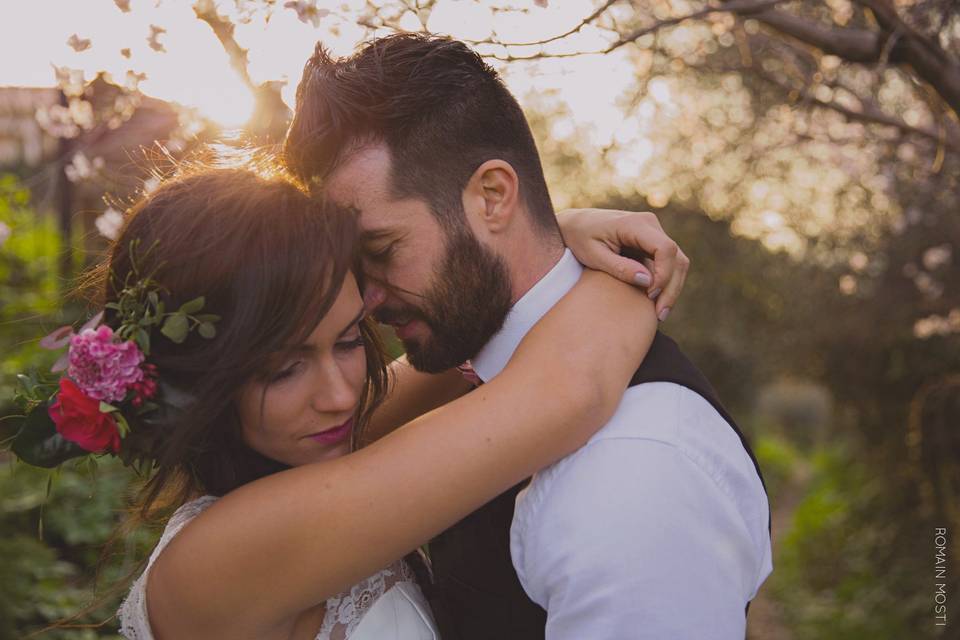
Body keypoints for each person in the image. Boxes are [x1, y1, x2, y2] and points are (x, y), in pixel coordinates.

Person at [20, 162, 679, 639]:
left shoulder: (312, 454)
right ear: (199, 382)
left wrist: (556, 233)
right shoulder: (221, 558)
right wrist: (630, 268)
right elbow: (568, 389)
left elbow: (475, 315)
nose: (340, 394)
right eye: (281, 371)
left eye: (345, 341)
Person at [284, 33, 773, 639]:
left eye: (381, 251)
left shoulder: (633, 473)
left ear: (493, 196)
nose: (368, 297)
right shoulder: (473, 362)